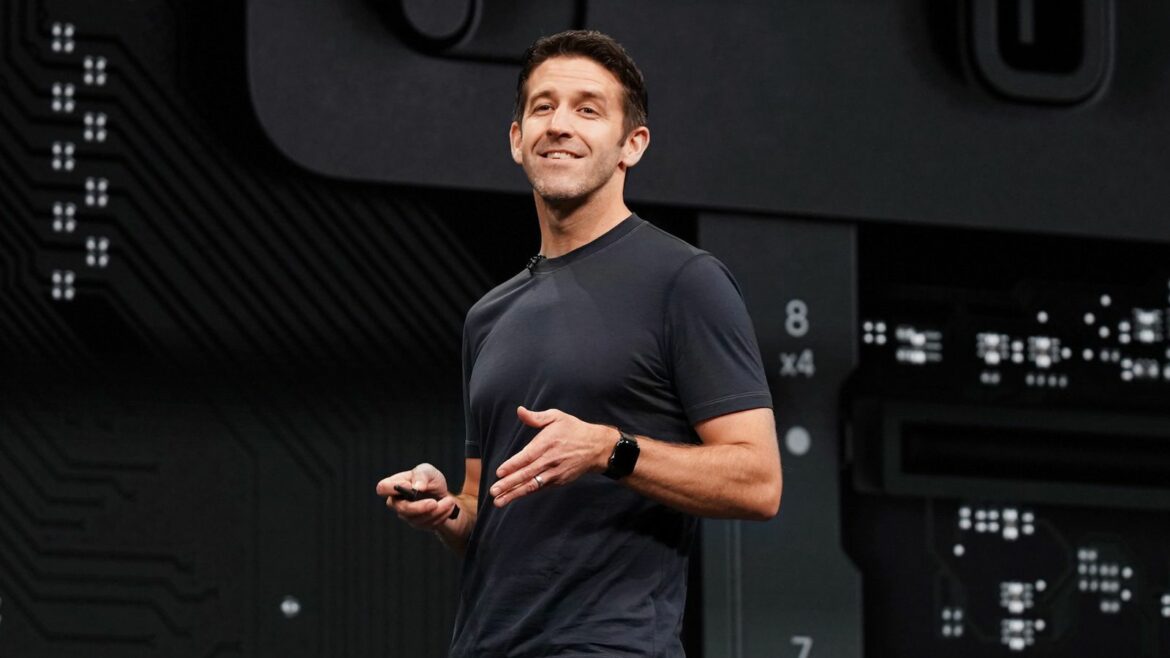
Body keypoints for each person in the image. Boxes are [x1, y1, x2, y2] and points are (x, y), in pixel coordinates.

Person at [376, 29, 782, 657]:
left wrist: (609, 449)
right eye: (544, 107)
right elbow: (486, 507)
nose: (560, 124)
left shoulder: (683, 281)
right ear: (517, 139)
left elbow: (758, 482)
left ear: (631, 145)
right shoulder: (489, 316)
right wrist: (447, 510)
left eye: (588, 109)